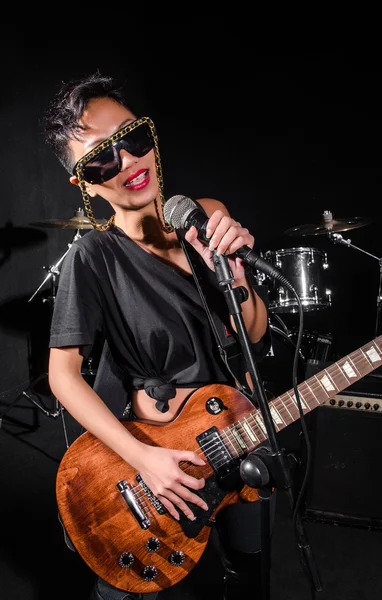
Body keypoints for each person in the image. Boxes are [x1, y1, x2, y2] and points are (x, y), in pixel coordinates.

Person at [42, 71, 272, 600]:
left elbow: (253, 333)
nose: (126, 162)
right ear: (85, 182)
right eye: (102, 158)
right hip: (158, 448)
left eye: (133, 139)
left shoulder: (207, 216)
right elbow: (63, 375)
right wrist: (144, 458)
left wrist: (236, 282)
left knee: (250, 566)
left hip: (238, 426)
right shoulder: (93, 258)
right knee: (127, 582)